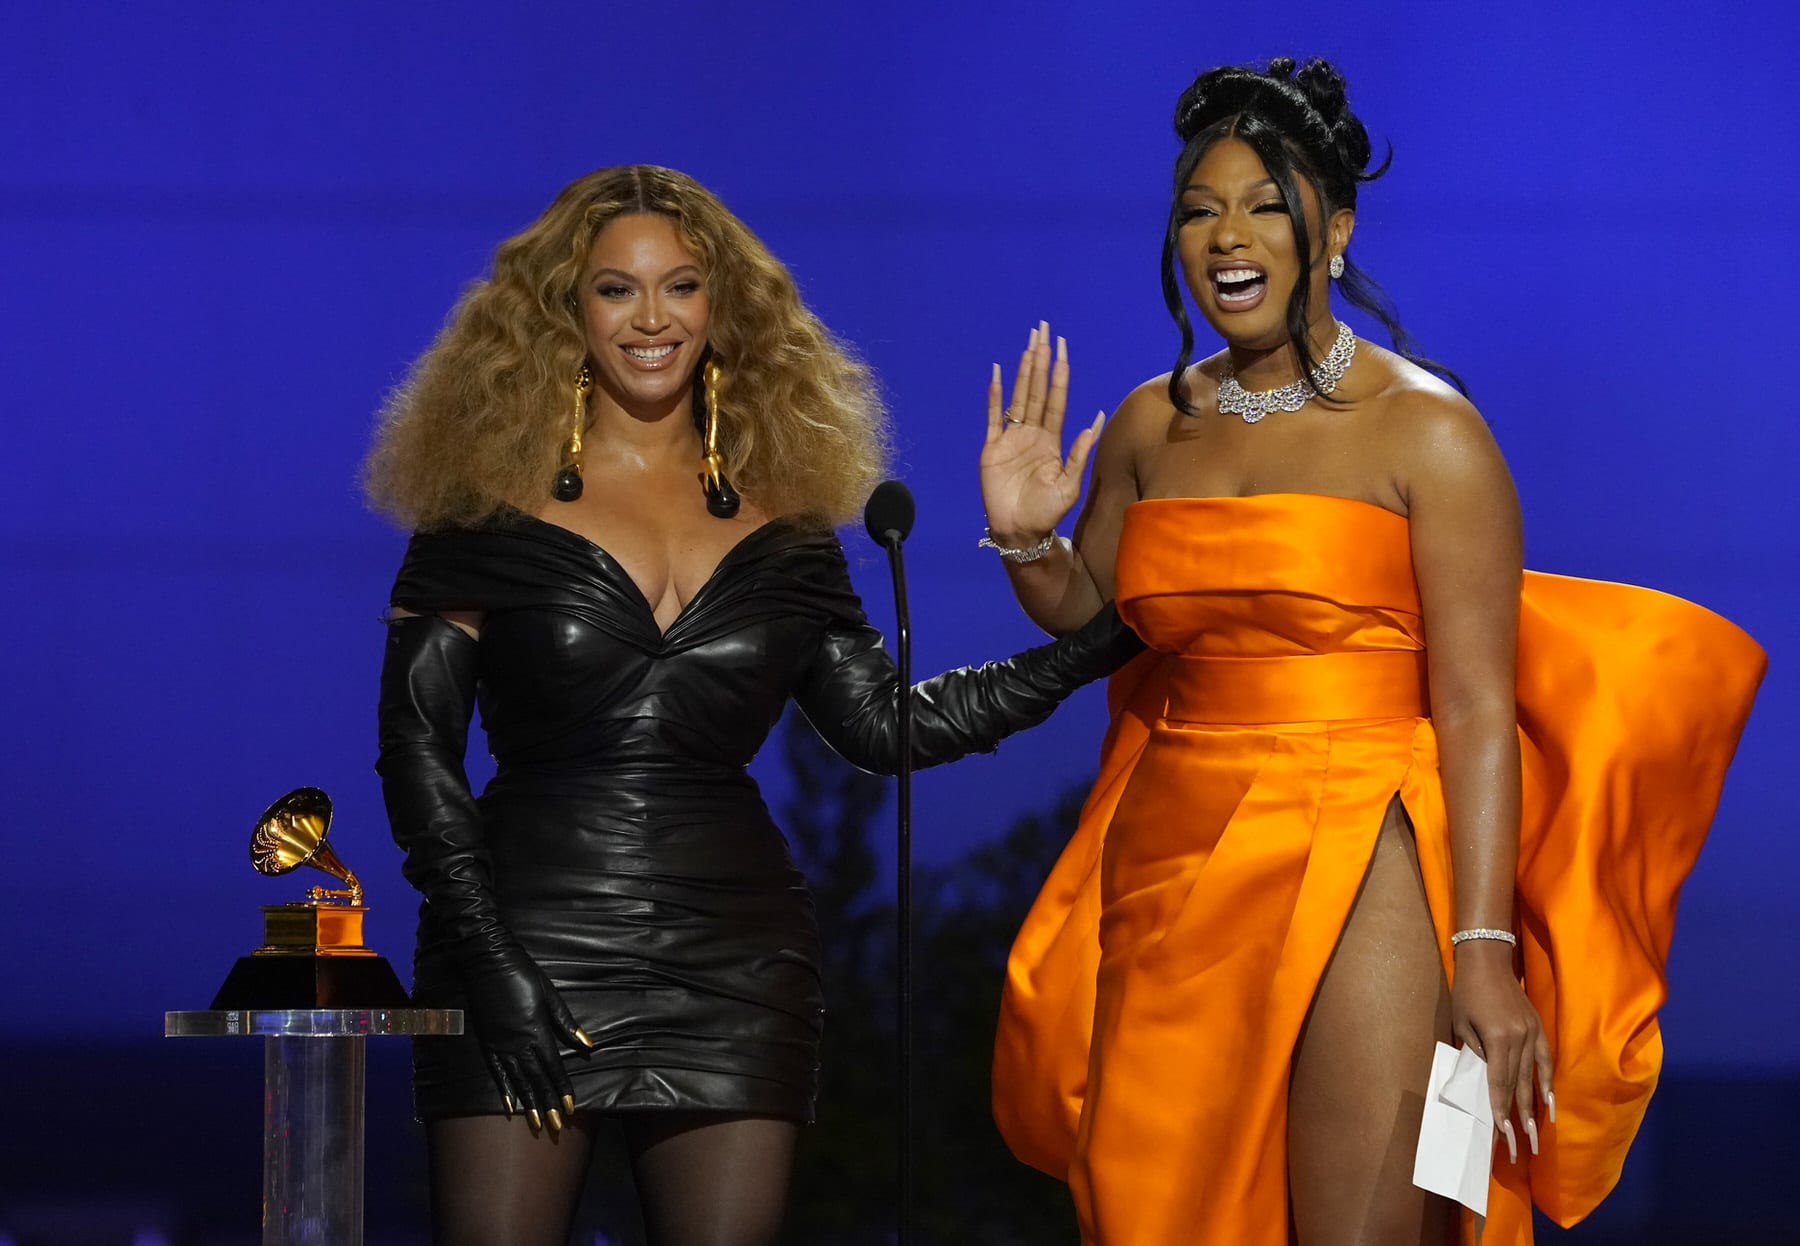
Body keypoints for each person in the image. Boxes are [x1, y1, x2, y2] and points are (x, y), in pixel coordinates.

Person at [978, 59, 1764, 1246]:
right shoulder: (1151, 421)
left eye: (1264, 206)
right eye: (1200, 209)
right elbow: (1090, 613)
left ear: (1332, 229)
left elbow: (1477, 703)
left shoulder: (1427, 430)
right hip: (1174, 845)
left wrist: (1485, 956)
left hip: (1368, 837)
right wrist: (1027, 535)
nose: (1226, 237)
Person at [363, 164, 1141, 1246]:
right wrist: (489, 962)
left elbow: (883, 727)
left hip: (737, 964)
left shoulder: (787, 517)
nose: (652, 319)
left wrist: (1110, 638)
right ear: (564, 309)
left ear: (722, 307)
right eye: (616, 289)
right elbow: (416, 752)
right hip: (526, 941)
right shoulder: (481, 502)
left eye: (681, 287)